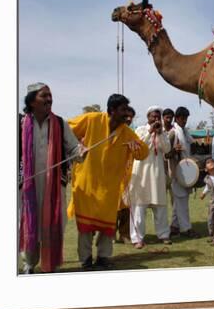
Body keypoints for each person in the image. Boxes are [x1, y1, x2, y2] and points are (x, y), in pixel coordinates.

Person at [68, 94, 149, 270]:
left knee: (107, 226)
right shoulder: (92, 119)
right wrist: (77, 145)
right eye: (123, 110)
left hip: (109, 187)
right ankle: (86, 260)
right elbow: (66, 130)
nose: (127, 115)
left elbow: (143, 153)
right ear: (111, 110)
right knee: (86, 226)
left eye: (128, 110)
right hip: (87, 183)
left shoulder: (126, 132)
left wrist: (137, 148)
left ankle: (103, 258)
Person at [18, 83, 86, 274]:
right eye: (44, 96)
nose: (49, 99)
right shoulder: (20, 124)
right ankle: (29, 264)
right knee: (27, 222)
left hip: (54, 186)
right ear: (32, 101)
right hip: (26, 186)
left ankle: (50, 266)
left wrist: (81, 151)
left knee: (53, 224)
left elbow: (73, 149)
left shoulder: (60, 123)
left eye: (50, 96)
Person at [129, 106, 172, 248]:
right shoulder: (140, 130)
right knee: (139, 207)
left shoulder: (163, 132)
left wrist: (159, 134)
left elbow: (167, 149)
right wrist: (150, 131)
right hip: (141, 174)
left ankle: (164, 234)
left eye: (157, 117)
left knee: (160, 206)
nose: (155, 119)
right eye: (153, 116)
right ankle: (137, 238)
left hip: (157, 173)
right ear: (148, 117)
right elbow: (139, 145)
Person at [167, 106, 200, 238]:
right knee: (182, 201)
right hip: (177, 171)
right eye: (182, 118)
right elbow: (166, 155)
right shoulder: (173, 133)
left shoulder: (185, 132)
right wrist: (174, 150)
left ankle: (174, 226)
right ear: (177, 118)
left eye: (186, 118)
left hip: (186, 170)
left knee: (180, 200)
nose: (184, 120)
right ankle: (185, 229)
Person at [115, 106, 137, 244]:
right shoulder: (112, 131)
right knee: (112, 207)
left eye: (131, 117)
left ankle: (124, 234)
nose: (128, 119)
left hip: (128, 175)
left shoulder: (132, 133)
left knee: (126, 205)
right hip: (112, 175)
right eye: (126, 116)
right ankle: (109, 234)